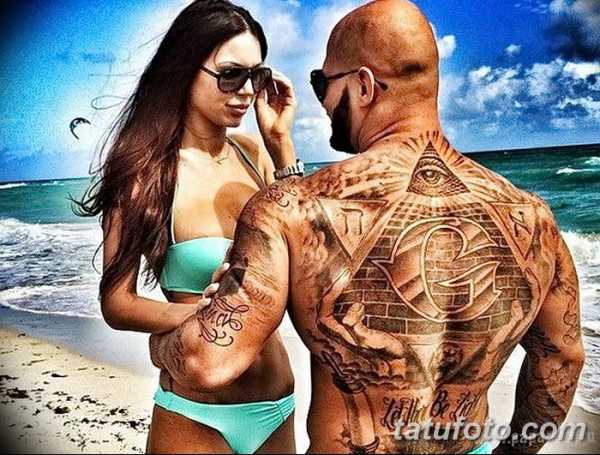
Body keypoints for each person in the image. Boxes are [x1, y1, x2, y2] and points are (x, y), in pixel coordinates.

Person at [149, 0, 586, 453]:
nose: (321, 102)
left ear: (363, 86)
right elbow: (562, 357)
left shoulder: (290, 209)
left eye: (322, 84)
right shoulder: (532, 216)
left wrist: (161, 344)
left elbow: (209, 362)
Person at [75, 0, 302, 453]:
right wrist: (203, 312)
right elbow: (117, 303)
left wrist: (281, 145)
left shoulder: (254, 156)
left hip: (277, 407)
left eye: (256, 76)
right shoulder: (144, 174)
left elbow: (311, 253)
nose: (245, 92)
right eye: (230, 75)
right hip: (195, 414)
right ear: (185, 70)